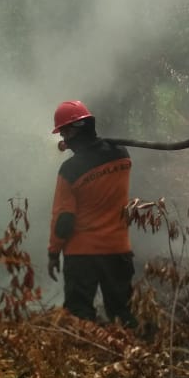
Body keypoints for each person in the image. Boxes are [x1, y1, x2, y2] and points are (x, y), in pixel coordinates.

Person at [48, 100, 137, 328]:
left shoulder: (70, 170)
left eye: (64, 133)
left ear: (72, 131)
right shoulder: (121, 154)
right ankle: (132, 350)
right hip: (118, 250)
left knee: (79, 318)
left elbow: (64, 220)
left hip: (82, 255)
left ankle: (87, 349)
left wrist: (53, 253)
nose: (64, 139)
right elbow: (99, 157)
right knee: (123, 315)